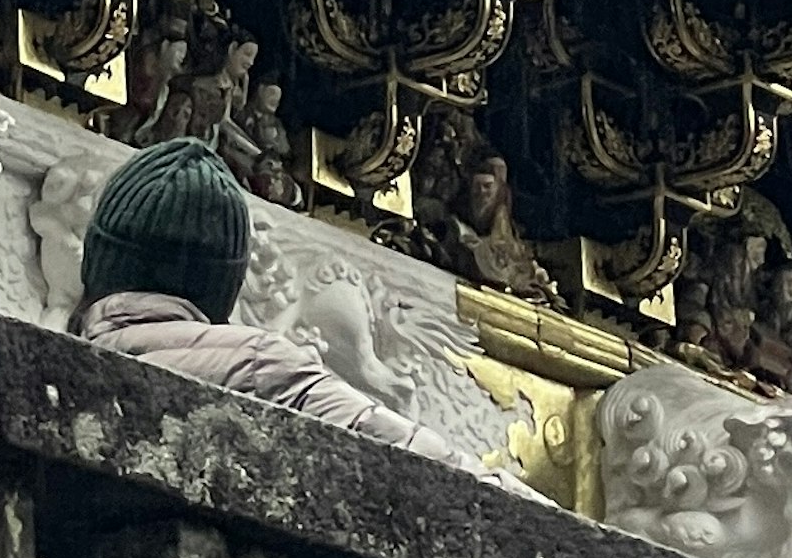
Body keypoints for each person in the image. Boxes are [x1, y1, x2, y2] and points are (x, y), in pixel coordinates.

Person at [71, 138, 503, 468]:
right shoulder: (259, 366)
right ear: (224, 285)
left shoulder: (73, 370)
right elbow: (421, 458)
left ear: (98, 262)